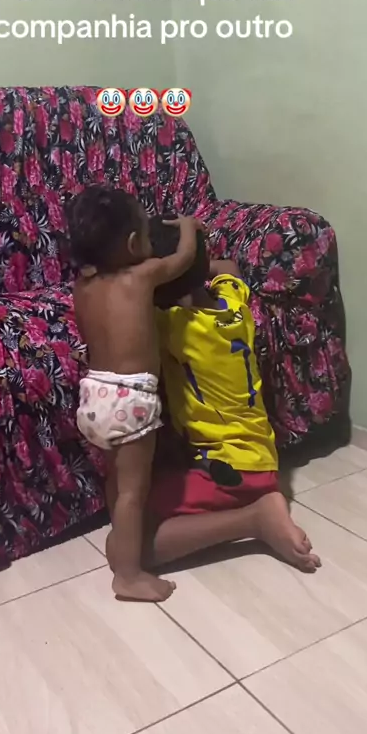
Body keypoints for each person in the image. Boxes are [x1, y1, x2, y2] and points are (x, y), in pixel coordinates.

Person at [124, 218, 321, 573]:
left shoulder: (174, 325)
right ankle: (255, 504)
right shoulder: (234, 305)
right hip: (261, 459)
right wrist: (193, 251)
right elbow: (228, 267)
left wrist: (177, 264)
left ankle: (254, 519)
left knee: (134, 545)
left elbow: (129, 300)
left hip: (228, 469)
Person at [66, 186, 201, 602]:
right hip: (130, 400)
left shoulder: (82, 288)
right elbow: (183, 259)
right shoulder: (142, 276)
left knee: (117, 482)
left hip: (94, 396)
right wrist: (188, 227)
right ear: (131, 244)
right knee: (133, 492)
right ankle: (128, 575)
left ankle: (119, 539)